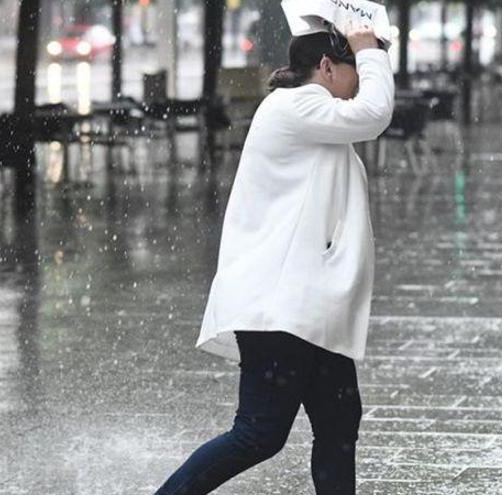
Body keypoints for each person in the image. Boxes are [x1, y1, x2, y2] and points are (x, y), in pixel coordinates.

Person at [155, 27, 394, 495]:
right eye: (353, 70)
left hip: (309, 308)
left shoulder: (316, 118)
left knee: (339, 422)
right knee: (259, 433)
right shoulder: (297, 104)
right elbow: (374, 113)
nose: (360, 81)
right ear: (326, 67)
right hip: (280, 306)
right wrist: (369, 49)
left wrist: (366, 52)